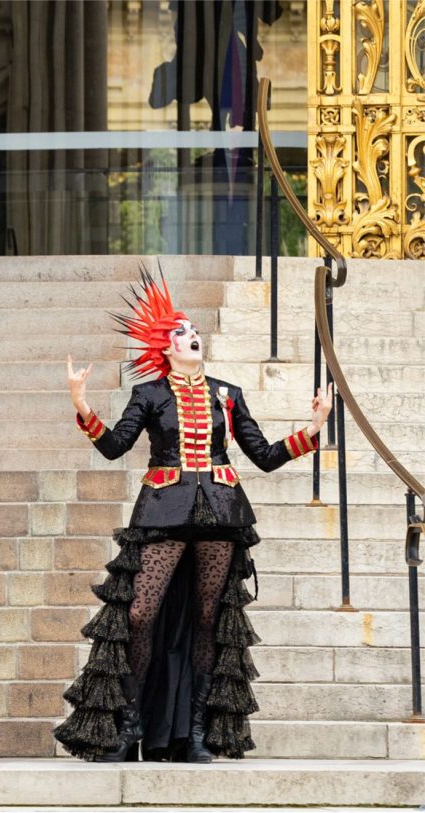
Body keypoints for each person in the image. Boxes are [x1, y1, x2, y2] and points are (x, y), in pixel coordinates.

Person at [53, 271, 331, 763]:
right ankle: (131, 725)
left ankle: (196, 731)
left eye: (192, 330)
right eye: (180, 332)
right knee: (139, 612)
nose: (191, 335)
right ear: (165, 349)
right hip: (164, 508)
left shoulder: (228, 392)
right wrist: (82, 406)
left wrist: (311, 430)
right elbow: (116, 447)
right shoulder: (150, 394)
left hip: (222, 511)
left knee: (209, 618)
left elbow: (262, 454)